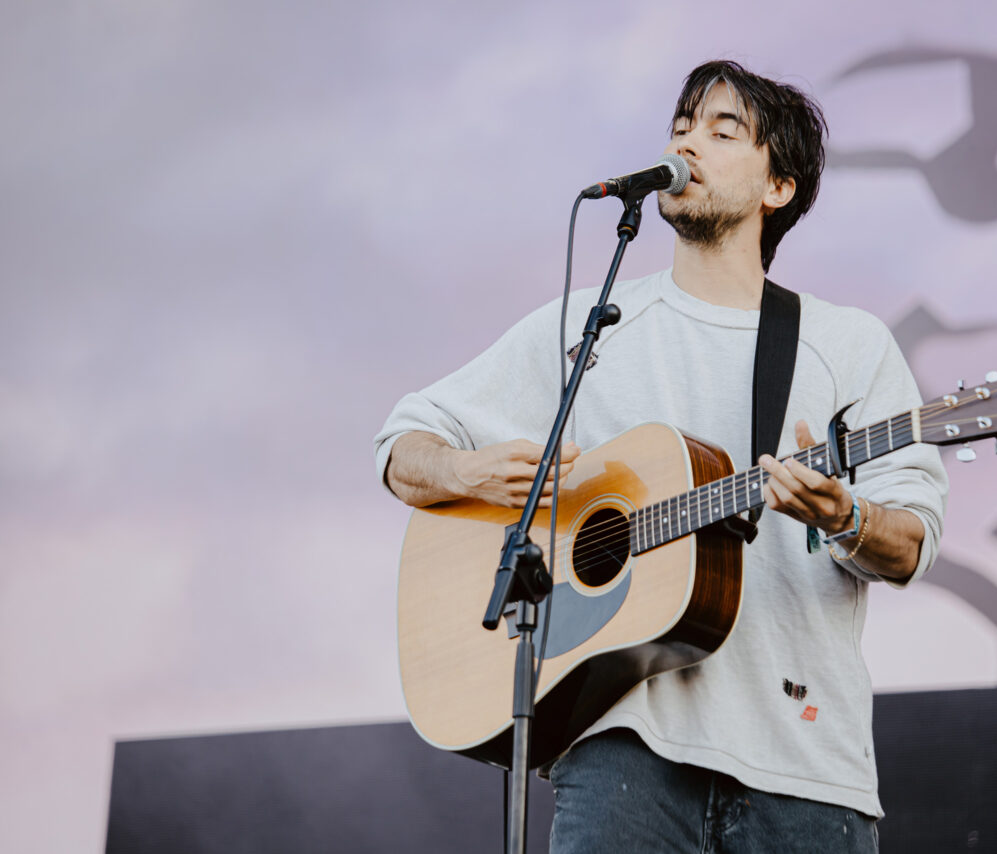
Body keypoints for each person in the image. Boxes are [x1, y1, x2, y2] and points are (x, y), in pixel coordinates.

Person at [375, 60, 948, 853]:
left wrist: (845, 515)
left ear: (778, 186)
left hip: (805, 765)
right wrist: (467, 472)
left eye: (722, 131)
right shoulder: (592, 323)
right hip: (621, 755)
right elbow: (404, 444)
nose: (688, 142)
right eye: (682, 126)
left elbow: (912, 539)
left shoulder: (844, 344)